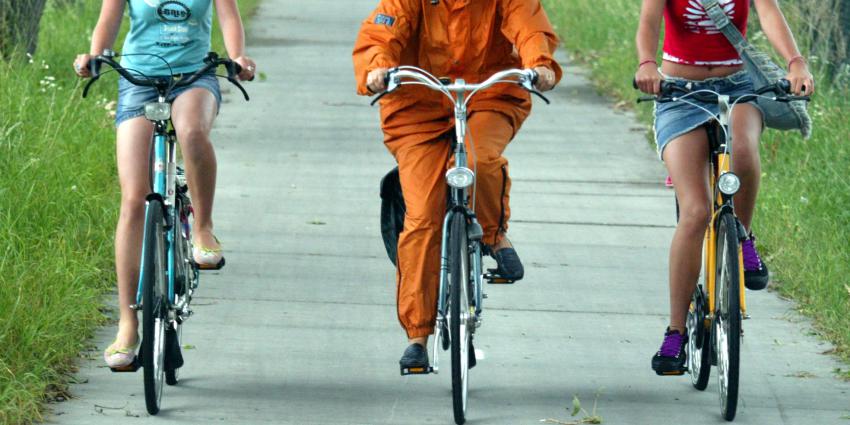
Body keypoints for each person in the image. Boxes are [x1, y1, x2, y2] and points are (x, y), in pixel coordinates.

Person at [352, 0, 562, 370]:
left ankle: (494, 235)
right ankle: (418, 336)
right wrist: (377, 68)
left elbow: (530, 28)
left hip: (489, 96)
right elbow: (381, 34)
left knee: (481, 161)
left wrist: (539, 64)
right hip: (416, 106)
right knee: (422, 218)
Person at [634, 0, 814, 375]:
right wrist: (646, 63)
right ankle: (676, 332)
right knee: (696, 211)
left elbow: (768, 13)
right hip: (678, 92)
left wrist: (795, 62)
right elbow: (649, 20)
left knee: (744, 153)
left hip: (738, 86)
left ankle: (742, 237)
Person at [73, 0, 256, 368]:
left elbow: (228, 15)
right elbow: (108, 20)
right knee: (133, 200)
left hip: (193, 78)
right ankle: (128, 324)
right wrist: (93, 57)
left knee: (190, 132)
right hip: (138, 78)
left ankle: (203, 228)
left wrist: (238, 57)